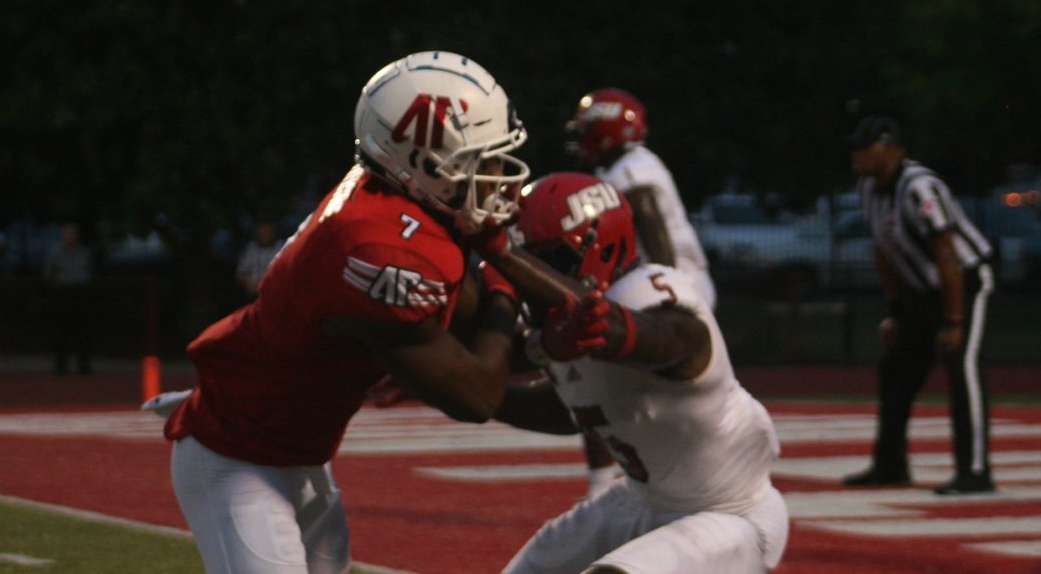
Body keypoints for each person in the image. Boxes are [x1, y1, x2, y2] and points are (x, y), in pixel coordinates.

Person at [158, 50, 572, 574]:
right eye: (481, 161)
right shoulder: (378, 249)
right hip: (237, 452)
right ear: (422, 164)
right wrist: (501, 281)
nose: (499, 178)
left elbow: (479, 338)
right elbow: (477, 393)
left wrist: (539, 338)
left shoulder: (403, 205)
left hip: (295, 449)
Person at [493, 171, 788, 574]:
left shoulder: (653, 293)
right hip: (640, 500)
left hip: (730, 514)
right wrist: (462, 389)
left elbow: (672, 340)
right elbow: (579, 410)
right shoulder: (564, 326)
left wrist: (609, 330)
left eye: (547, 260)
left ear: (601, 248)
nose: (534, 277)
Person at [564, 87, 716, 496]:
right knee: (617, 384)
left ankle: (608, 488)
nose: (581, 141)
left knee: (597, 378)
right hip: (665, 289)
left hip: (668, 292)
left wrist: (664, 293)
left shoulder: (631, 170)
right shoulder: (624, 168)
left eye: (587, 132)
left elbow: (650, 222)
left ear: (604, 132)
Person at [842, 115, 996, 495]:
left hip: (964, 281)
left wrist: (954, 319)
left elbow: (947, 254)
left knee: (961, 365)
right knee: (895, 367)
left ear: (890, 149)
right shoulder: (868, 189)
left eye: (865, 148)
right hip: (920, 291)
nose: (857, 156)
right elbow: (884, 249)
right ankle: (890, 464)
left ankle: (975, 470)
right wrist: (896, 311)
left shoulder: (919, 188)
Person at [43, 222, 94, 375]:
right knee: (61, 331)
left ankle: (83, 366)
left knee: (82, 331)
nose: (70, 237)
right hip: (62, 293)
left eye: (72, 235)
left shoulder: (84, 252)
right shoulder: (56, 252)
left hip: (80, 293)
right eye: (67, 235)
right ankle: (60, 367)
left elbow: (90, 271)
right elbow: (48, 273)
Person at [234, 218, 283, 304]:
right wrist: (257, 285)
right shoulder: (250, 248)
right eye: (261, 231)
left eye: (267, 230)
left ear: (273, 231)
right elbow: (240, 275)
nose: (264, 233)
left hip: (276, 295)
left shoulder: (282, 248)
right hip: (252, 296)